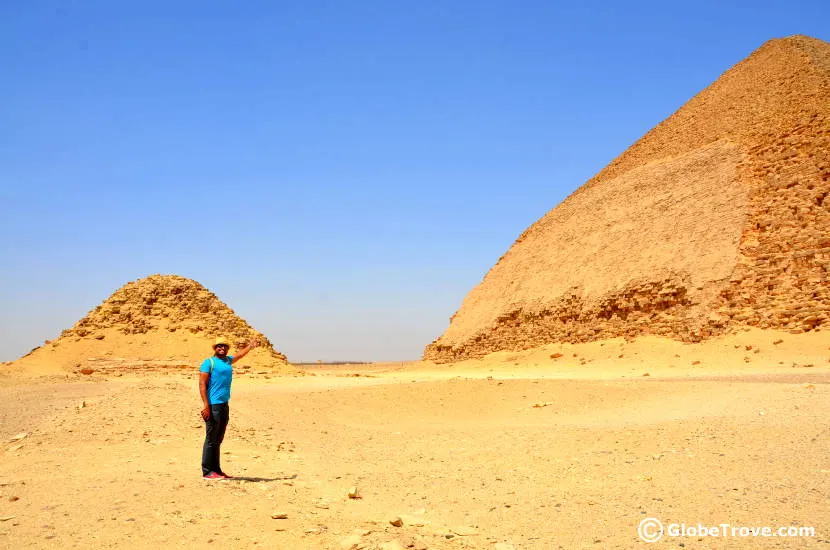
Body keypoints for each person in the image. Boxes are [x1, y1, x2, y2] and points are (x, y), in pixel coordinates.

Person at [199, 336, 259, 479]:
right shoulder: (209, 363)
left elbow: (239, 355)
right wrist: (206, 405)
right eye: (219, 346)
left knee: (219, 438)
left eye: (225, 346)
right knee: (211, 438)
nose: (222, 348)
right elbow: (202, 384)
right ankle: (207, 471)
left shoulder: (227, 361)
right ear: (215, 348)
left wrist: (250, 346)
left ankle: (217, 470)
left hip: (224, 404)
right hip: (213, 405)